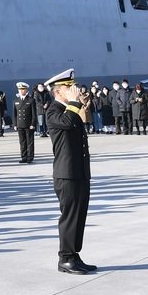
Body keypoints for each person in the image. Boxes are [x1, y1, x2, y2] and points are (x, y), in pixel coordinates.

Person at [45, 69, 95, 275]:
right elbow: (67, 122)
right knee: (70, 217)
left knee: (79, 215)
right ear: (58, 91)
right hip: (66, 173)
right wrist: (75, 103)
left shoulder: (70, 109)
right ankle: (65, 258)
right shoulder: (53, 111)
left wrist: (79, 104)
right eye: (68, 87)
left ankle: (74, 255)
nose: (73, 89)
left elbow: (78, 121)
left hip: (79, 171)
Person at [13, 82, 37, 162]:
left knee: (29, 142)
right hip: (20, 124)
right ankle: (23, 157)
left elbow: (34, 114)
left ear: (26, 90)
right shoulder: (16, 100)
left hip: (28, 124)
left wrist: (33, 124)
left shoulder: (31, 100)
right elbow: (15, 114)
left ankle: (30, 157)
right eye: (20, 89)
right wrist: (15, 124)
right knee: (22, 142)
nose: (21, 91)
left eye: (23, 89)